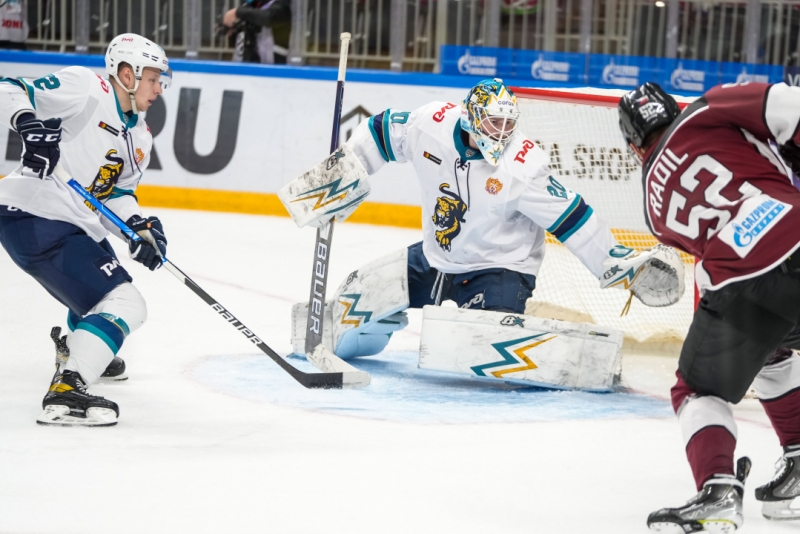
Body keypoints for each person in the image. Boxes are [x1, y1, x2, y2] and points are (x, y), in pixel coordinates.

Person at [284, 78, 684, 370]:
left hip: (499, 270)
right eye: (494, 125)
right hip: (435, 261)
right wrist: (343, 174)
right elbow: (381, 130)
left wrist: (614, 262)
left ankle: (551, 348)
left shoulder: (523, 166)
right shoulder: (431, 124)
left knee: (475, 344)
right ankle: (367, 336)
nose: (503, 133)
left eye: (508, 125)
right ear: (470, 118)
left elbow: (572, 216)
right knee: (353, 297)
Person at [617, 81, 800, 530]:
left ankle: (718, 488)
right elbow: (788, 106)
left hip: (743, 282)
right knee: (771, 352)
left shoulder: (652, 206)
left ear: (633, 143)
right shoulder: (709, 106)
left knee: (701, 388)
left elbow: (710, 255)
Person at [0, 33, 172, 427]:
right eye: (152, 78)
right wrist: (28, 125)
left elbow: (114, 194)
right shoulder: (87, 88)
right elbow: (8, 87)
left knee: (107, 282)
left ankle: (78, 349)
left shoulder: (140, 136)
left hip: (71, 223)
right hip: (34, 215)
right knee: (127, 303)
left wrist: (137, 227)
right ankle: (69, 384)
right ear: (126, 74)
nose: (159, 88)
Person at [221, 0, 292, 65]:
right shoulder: (252, 4)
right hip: (245, 65)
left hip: (275, 70)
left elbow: (269, 17)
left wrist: (238, 12)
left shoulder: (283, 5)